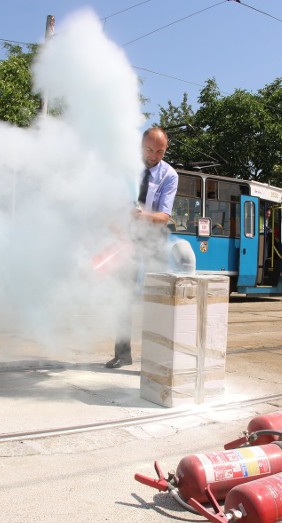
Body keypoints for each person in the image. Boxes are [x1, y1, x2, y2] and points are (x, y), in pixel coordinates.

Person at [105, 127, 179, 369]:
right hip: (128, 236)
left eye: (160, 151)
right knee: (123, 296)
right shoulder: (127, 168)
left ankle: (157, 357)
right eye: (149, 149)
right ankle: (122, 354)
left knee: (157, 297)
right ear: (141, 146)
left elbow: (164, 216)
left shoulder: (169, 175)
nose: (154, 155)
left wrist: (140, 215)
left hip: (154, 238)